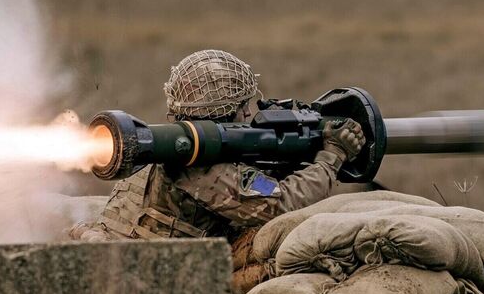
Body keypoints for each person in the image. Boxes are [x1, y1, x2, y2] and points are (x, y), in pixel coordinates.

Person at [69, 49, 365, 242]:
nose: (248, 114)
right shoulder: (202, 168)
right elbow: (282, 204)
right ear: (225, 113)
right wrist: (332, 156)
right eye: (242, 106)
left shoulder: (161, 144)